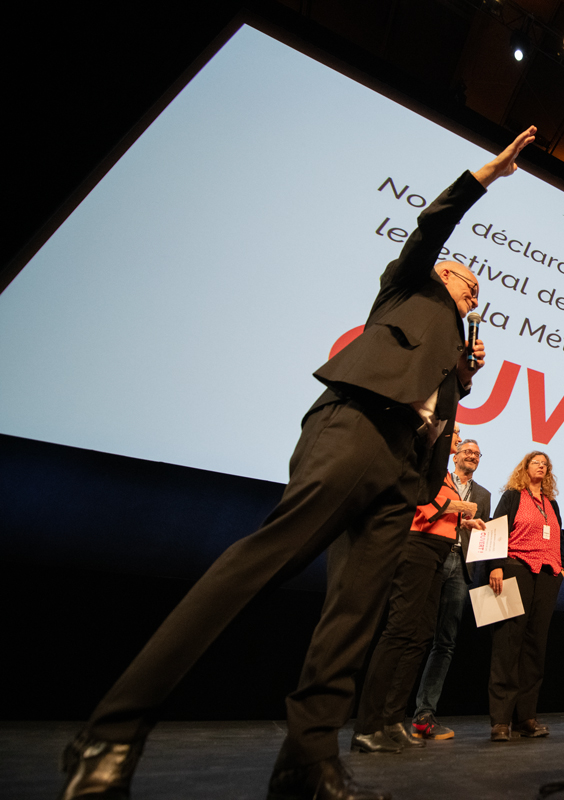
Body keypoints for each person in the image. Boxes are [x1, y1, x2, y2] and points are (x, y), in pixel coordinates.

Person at [57, 127, 537, 800]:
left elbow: (435, 410)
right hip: (356, 428)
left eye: (477, 292)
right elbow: (432, 224)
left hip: (407, 468)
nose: (474, 295)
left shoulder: (455, 353)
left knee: (354, 613)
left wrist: (460, 377)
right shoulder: (409, 288)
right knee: (260, 563)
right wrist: (486, 176)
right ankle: (110, 733)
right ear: (442, 275)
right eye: (469, 282)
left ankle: (308, 762)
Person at [353, 462, 487, 751]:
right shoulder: (426, 465)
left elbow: (438, 513)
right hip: (418, 548)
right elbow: (422, 503)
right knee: (399, 631)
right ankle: (367, 726)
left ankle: (392, 721)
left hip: (436, 553)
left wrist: (463, 523)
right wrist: (456, 507)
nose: (459, 436)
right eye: (457, 434)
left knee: (421, 636)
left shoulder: (443, 476)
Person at [411, 438, 492, 740]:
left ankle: (424, 713)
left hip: (462, 566)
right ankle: (390, 712)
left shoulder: (483, 494)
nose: (472, 456)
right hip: (433, 554)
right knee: (415, 632)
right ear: (455, 455)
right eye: (467, 451)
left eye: (477, 453)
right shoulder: (439, 480)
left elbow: (482, 531)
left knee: (445, 642)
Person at [485, 451, 564, 742]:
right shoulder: (512, 496)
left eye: (546, 464)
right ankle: (501, 720)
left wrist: (561, 566)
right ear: (525, 467)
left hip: (547, 575)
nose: (541, 466)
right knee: (508, 643)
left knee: (535, 646)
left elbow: (557, 537)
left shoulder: (551, 503)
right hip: (515, 568)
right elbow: (496, 529)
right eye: (536, 462)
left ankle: (526, 717)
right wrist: (494, 565)